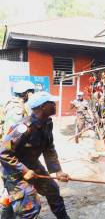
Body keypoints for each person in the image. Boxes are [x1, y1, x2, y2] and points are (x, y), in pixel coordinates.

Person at [0, 91, 70, 219]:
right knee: (29, 205)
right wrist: (24, 170)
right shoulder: (24, 127)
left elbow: (49, 148)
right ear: (42, 106)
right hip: (13, 170)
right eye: (51, 103)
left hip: (31, 165)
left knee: (52, 189)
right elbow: (3, 152)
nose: (54, 105)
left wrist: (58, 171)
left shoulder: (47, 123)